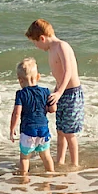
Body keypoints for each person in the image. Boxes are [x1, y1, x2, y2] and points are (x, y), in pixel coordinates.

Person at [26, 18, 83, 169]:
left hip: (71, 93)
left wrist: (59, 93)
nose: (36, 46)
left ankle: (75, 164)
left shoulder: (62, 46)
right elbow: (58, 75)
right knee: (60, 131)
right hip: (61, 91)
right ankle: (60, 161)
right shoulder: (51, 50)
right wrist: (55, 92)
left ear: (42, 38)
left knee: (69, 132)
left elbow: (68, 72)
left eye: (35, 42)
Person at [9, 57, 56, 177]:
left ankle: (24, 178)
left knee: (25, 158)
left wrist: (12, 128)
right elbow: (52, 110)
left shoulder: (21, 94)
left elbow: (17, 113)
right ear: (38, 77)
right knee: (46, 156)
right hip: (43, 130)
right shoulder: (45, 91)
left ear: (20, 81)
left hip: (28, 131)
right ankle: (51, 175)